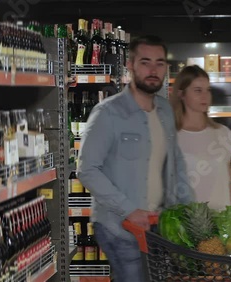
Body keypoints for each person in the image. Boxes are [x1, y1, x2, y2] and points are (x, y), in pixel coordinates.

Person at [76, 35, 194, 282]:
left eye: (160, 63)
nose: (153, 70)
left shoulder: (165, 111)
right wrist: (129, 210)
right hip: (119, 227)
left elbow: (175, 163)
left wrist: (188, 208)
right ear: (130, 65)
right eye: (145, 62)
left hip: (158, 225)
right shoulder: (108, 113)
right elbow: (87, 170)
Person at [169, 65, 231, 210]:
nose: (205, 96)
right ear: (181, 94)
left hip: (222, 223)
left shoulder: (222, 133)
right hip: (188, 224)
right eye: (197, 91)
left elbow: (228, 183)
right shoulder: (170, 136)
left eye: (208, 90)